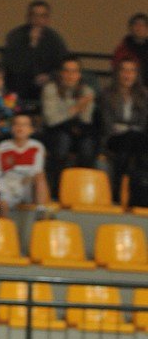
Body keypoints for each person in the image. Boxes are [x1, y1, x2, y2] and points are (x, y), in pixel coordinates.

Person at [41, 57, 99, 198]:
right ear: (60, 73)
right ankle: (57, 191)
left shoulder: (87, 91)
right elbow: (51, 120)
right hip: (55, 132)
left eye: (74, 71)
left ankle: (81, 191)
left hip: (79, 131)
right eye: (66, 71)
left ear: (79, 74)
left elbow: (86, 120)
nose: (70, 75)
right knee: (62, 142)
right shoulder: (50, 89)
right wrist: (77, 107)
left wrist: (68, 113)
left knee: (88, 146)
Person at [99, 58, 148, 203]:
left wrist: (127, 128)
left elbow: (143, 123)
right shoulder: (107, 94)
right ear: (118, 73)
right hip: (114, 138)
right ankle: (122, 191)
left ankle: (134, 192)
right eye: (124, 70)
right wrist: (128, 129)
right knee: (130, 141)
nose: (128, 74)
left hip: (136, 138)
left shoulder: (144, 95)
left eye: (132, 71)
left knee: (135, 141)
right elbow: (108, 123)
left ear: (137, 74)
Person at [2, 0, 68, 102]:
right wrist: (32, 45)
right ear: (28, 17)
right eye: (35, 15)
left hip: (46, 88)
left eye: (42, 16)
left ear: (47, 19)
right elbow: (11, 65)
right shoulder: (15, 36)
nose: (38, 19)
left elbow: (63, 65)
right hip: (18, 86)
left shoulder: (55, 39)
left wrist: (49, 76)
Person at [0, 113, 50, 217]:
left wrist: (26, 180)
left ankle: (41, 212)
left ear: (31, 129)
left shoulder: (37, 146)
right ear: (12, 128)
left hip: (28, 185)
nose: (20, 127)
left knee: (40, 176)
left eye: (24, 125)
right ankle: (5, 225)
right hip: (8, 184)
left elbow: (37, 171)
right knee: (2, 202)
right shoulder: (2, 147)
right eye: (17, 124)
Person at [112, 12, 148, 87]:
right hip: (130, 87)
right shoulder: (122, 49)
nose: (139, 27)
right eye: (136, 24)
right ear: (131, 28)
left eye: (143, 25)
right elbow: (116, 71)